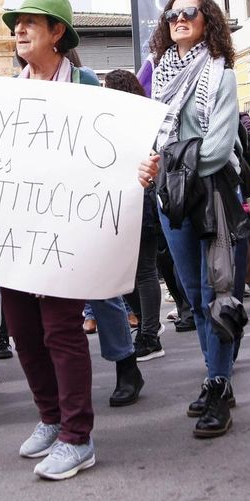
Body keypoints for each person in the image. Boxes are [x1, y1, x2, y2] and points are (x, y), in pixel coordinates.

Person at [0, 0, 135, 480]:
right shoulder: (6, 93)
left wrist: (142, 166)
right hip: (18, 230)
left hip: (66, 231)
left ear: (58, 33)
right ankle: (50, 418)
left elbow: (120, 149)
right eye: (17, 23)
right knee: (24, 332)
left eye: (32, 21)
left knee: (61, 330)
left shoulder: (89, 86)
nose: (20, 30)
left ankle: (78, 437)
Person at [138, 0, 245, 440]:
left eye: (189, 13)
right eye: (172, 14)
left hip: (209, 193)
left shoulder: (222, 75)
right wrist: (148, 162)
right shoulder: (157, 76)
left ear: (207, 21)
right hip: (170, 198)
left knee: (213, 291)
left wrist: (167, 162)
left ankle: (220, 385)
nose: (180, 19)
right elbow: (146, 136)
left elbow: (219, 148)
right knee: (190, 291)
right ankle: (212, 376)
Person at [105, 68, 166, 362]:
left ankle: (150, 334)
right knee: (127, 272)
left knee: (143, 271)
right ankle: (147, 326)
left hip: (141, 202)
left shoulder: (141, 122)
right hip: (122, 203)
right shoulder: (120, 122)